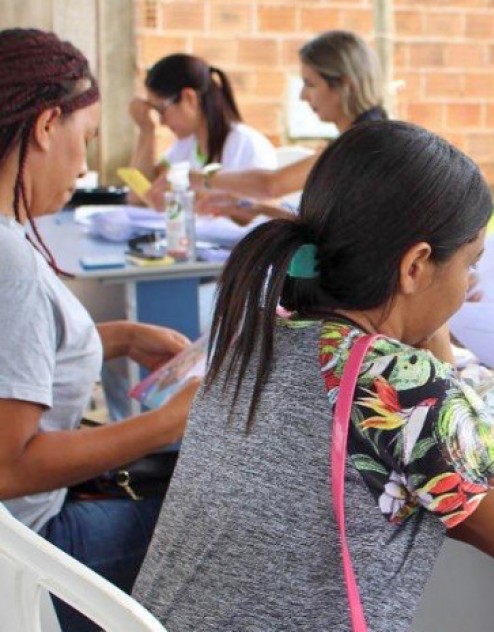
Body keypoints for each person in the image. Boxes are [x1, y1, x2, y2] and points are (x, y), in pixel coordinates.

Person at [132, 120, 494, 631]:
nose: (467, 285)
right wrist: (437, 352)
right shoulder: (402, 386)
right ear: (415, 266)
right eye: (469, 264)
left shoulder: (255, 337)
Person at [0, 29, 198, 632]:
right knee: (217, 522)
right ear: (44, 126)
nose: (85, 164)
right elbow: (11, 464)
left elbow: (15, 355)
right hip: (27, 549)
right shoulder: (13, 266)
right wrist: (166, 422)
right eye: (84, 141)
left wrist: (115, 336)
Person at [192, 30, 387, 223]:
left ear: (344, 84)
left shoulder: (364, 143)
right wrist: (254, 207)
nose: (302, 95)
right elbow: (321, 227)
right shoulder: (366, 134)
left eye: (310, 84)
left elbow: (271, 185)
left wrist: (197, 179)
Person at [129, 53, 276, 206]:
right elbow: (140, 197)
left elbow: (265, 211)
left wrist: (199, 197)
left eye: (161, 110)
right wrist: (146, 130)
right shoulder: (184, 146)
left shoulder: (247, 145)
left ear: (189, 98)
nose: (162, 122)